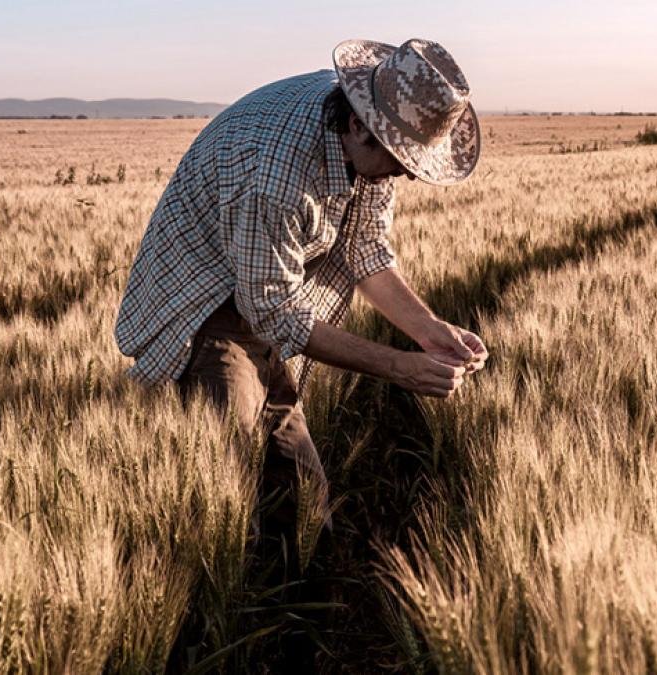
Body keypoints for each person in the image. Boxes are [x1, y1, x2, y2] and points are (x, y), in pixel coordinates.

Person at [114, 38, 488, 567]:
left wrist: (428, 330)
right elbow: (273, 311)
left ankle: (301, 586)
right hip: (203, 302)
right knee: (230, 466)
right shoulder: (276, 175)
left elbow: (366, 248)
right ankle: (212, 589)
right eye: (401, 160)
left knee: (300, 489)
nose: (405, 174)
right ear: (358, 125)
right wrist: (399, 368)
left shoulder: (372, 139)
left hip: (264, 295)